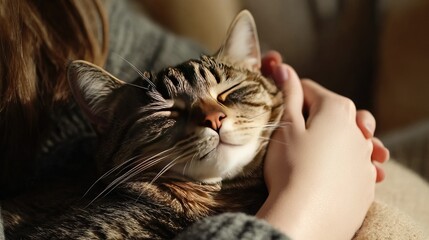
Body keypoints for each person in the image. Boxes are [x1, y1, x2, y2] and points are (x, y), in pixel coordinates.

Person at [0, 1, 389, 239]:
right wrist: (306, 209)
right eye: (165, 113)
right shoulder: (126, 216)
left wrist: (313, 121)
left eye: (231, 93)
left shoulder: (65, 15)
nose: (213, 117)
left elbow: (180, 61)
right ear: (104, 124)